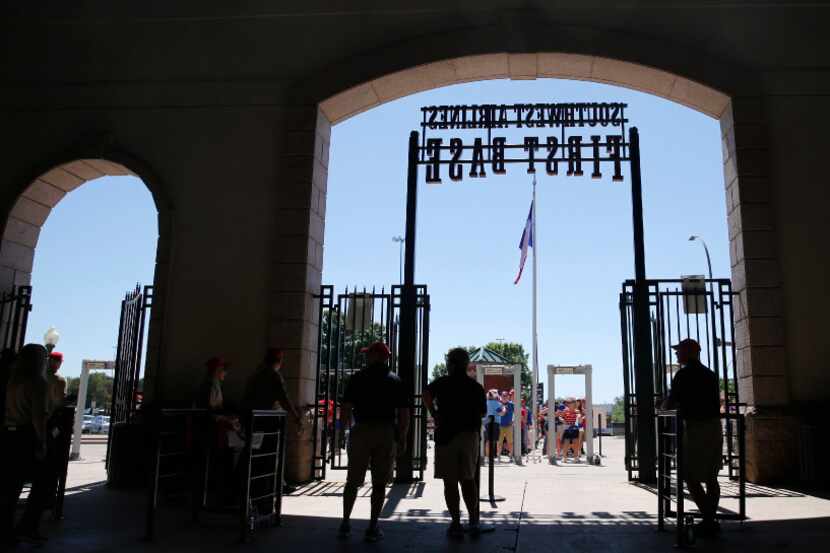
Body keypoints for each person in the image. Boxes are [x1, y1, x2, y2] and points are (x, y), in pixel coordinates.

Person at [338, 342, 409, 542]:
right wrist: (402, 438)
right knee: (379, 482)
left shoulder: (357, 378)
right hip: (385, 432)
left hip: (361, 430)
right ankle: (372, 526)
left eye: (368, 353)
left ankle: (345, 523)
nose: (366, 356)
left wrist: (342, 431)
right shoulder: (395, 381)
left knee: (352, 480)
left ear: (377, 356)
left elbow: (346, 408)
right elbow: (404, 414)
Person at [662, 338, 723, 537]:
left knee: (689, 475)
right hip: (714, 427)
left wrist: (661, 406)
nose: (676, 354)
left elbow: (671, 403)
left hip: (695, 428)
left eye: (679, 351)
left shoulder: (683, 375)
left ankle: (708, 519)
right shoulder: (711, 375)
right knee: (711, 477)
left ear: (689, 352)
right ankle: (709, 519)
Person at [424, 348, 487, 538]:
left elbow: (426, 393)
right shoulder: (475, 387)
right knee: (468, 480)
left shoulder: (441, 383)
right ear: (467, 364)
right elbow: (483, 412)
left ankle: (456, 523)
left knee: (449, 482)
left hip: (445, 436)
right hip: (469, 436)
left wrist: (435, 413)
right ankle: (473, 521)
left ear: (450, 363)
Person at [0, 344, 50, 545]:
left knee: (9, 488)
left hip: (8, 435)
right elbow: (38, 416)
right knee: (42, 485)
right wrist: (42, 441)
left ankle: (5, 530)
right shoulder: (38, 382)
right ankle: (27, 527)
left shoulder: (12, 380)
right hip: (26, 436)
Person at [243, 348, 303, 495]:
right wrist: (296, 417)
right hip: (270, 422)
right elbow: (284, 399)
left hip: (255, 421)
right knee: (272, 455)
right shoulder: (274, 376)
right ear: (280, 362)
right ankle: (272, 487)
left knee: (255, 454)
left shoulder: (255, 376)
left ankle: (254, 486)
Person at [483, 390, 503, 458]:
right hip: (495, 423)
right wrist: (504, 408)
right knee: (497, 440)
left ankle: (488, 457)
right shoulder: (497, 403)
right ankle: (498, 456)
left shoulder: (485, 403)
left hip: (487, 423)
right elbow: (501, 413)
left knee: (488, 441)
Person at [498, 390, 515, 459]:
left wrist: (513, 420)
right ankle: (498, 456)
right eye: (503, 395)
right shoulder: (498, 404)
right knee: (499, 442)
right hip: (500, 425)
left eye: (506, 395)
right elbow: (497, 414)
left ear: (508, 396)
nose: (504, 397)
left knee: (510, 442)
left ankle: (511, 456)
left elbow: (516, 413)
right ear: (501, 396)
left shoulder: (511, 404)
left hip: (509, 425)